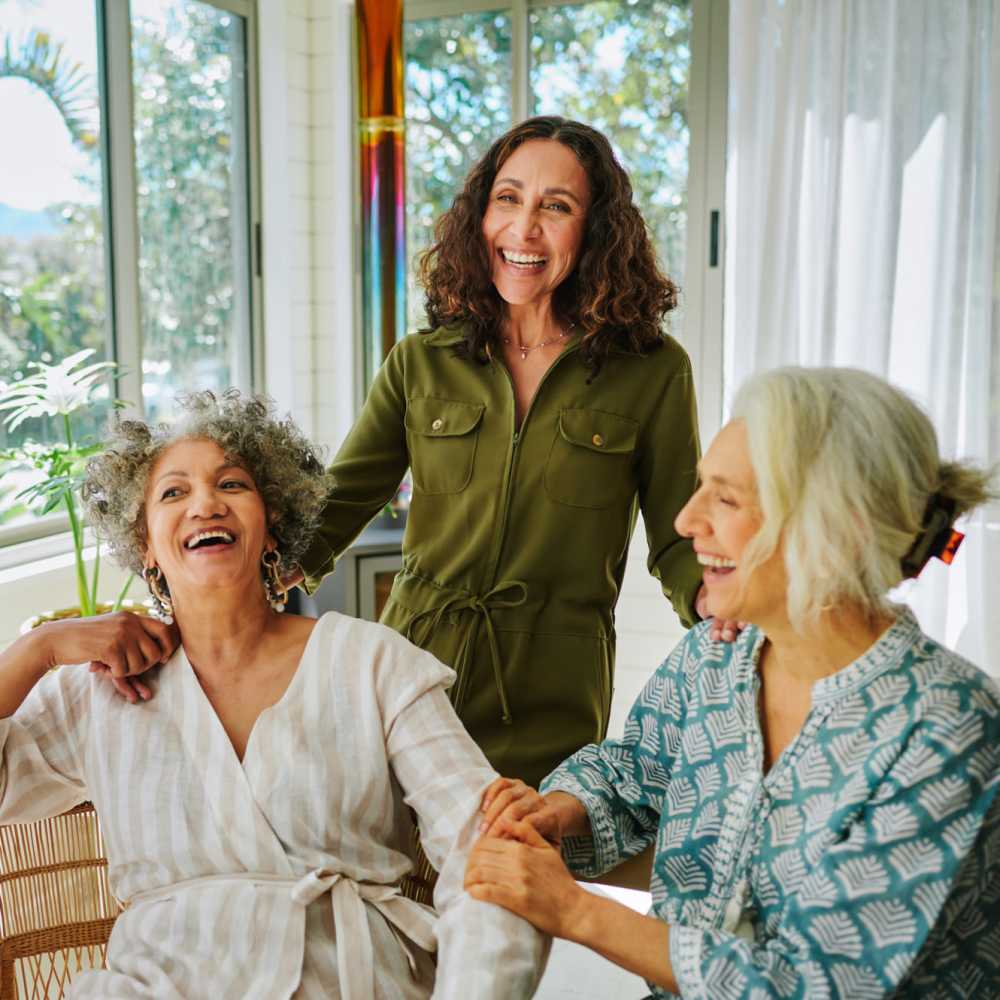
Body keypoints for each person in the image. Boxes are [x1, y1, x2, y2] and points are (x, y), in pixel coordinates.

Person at [465, 366, 1000, 998]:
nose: (687, 522)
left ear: (833, 525)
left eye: (726, 499)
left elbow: (817, 984)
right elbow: (634, 772)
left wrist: (575, 911)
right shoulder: (713, 658)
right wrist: (562, 812)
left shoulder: (948, 724)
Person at [0, 391, 547, 999]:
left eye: (232, 485)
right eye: (173, 492)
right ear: (145, 545)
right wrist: (39, 649)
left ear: (273, 527)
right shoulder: (95, 693)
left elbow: (490, 848)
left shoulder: (374, 664)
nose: (205, 503)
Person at [296, 116, 731, 790]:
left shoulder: (652, 370)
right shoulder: (422, 361)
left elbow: (680, 533)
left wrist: (715, 599)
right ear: (480, 215)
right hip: (409, 678)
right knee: (395, 878)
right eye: (508, 199)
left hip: (551, 693)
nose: (524, 230)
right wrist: (227, 584)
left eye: (555, 207)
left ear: (595, 230)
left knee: (513, 879)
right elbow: (333, 507)